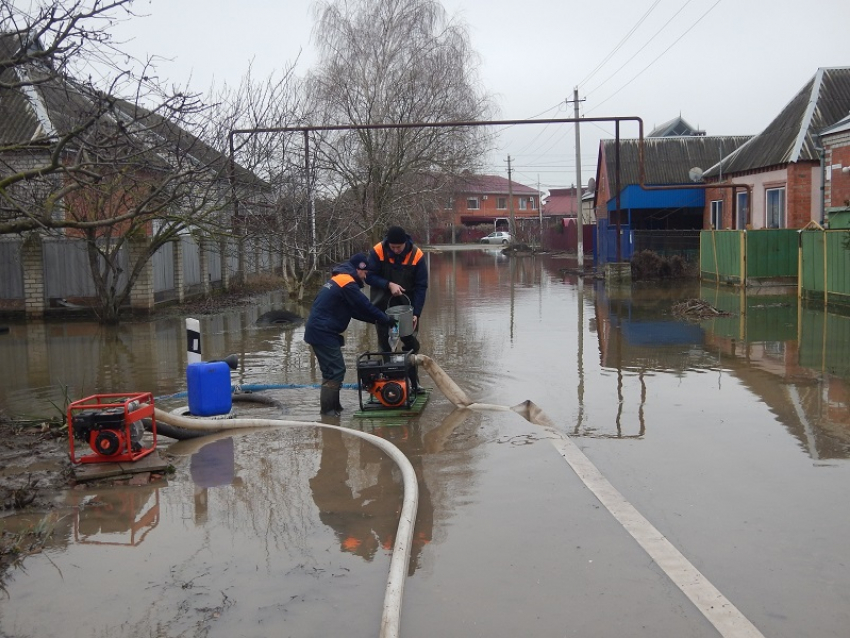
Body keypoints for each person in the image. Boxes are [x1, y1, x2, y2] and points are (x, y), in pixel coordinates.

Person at [304, 253, 397, 416]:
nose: (366, 276)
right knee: (335, 371)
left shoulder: (341, 279)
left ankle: (335, 408)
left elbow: (355, 311)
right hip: (323, 332)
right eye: (365, 272)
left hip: (321, 330)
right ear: (359, 269)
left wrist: (378, 321)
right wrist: (387, 319)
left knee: (332, 371)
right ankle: (328, 412)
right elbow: (365, 305)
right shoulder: (347, 282)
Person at [365, 225, 428, 390]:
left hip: (408, 306)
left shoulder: (417, 255)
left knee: (411, 344)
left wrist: (417, 313)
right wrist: (388, 284)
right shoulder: (378, 251)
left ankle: (414, 383)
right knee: (385, 345)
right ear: (388, 244)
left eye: (399, 247)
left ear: (405, 243)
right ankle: (389, 383)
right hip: (382, 305)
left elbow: (422, 286)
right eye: (393, 247)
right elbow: (369, 277)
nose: (396, 250)